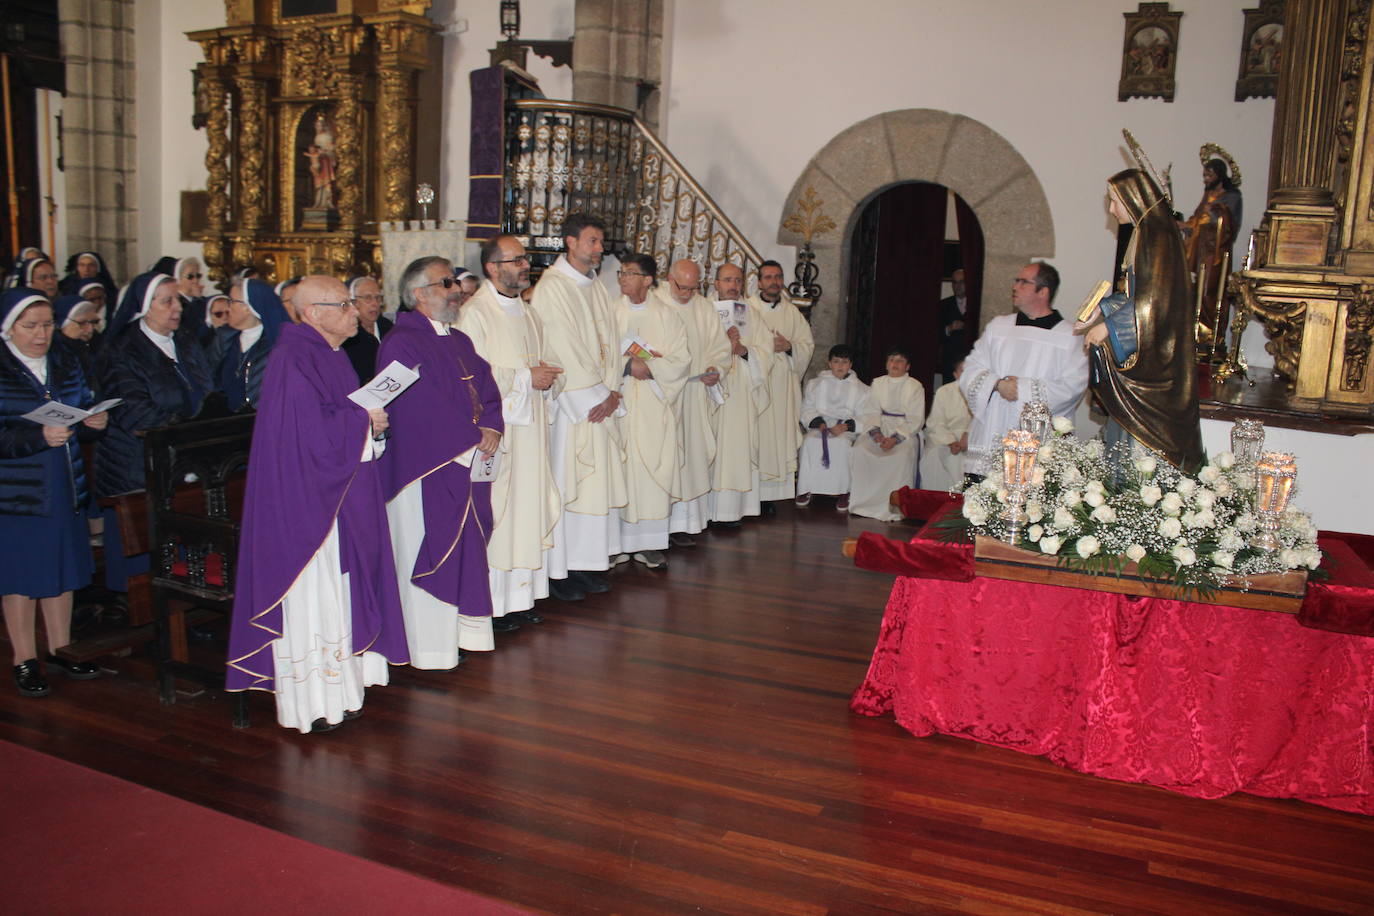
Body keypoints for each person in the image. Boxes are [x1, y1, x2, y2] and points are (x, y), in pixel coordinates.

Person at [225, 275, 409, 733]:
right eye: (343, 304)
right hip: (304, 507)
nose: (354, 311)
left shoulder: (331, 353)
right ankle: (311, 702)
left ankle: (342, 689)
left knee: (340, 592)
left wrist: (372, 424)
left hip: (336, 496)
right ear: (313, 313)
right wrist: (363, 422)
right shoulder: (292, 358)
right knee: (314, 594)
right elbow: (307, 436)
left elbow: (341, 419)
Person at [379, 256, 503, 670]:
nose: (456, 289)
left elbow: (487, 389)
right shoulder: (401, 342)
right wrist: (472, 438)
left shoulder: (459, 341)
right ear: (420, 294)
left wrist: (492, 428)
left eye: (454, 282)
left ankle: (460, 635)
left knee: (469, 547)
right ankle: (428, 647)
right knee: (430, 546)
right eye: (446, 282)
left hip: (465, 462)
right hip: (427, 470)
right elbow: (414, 408)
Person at [0, 288, 106, 697]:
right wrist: (36, 437)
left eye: (46, 325)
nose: (41, 334)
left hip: (65, 481)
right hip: (17, 490)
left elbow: (80, 406)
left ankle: (63, 649)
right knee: (22, 576)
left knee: (62, 569)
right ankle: (24, 658)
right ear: (9, 328)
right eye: (31, 327)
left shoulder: (65, 360)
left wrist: (93, 421)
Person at [457, 235, 568, 618]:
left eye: (525, 259)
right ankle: (492, 604)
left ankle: (519, 599)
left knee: (526, 508)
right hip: (498, 433)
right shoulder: (475, 314)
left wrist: (549, 375)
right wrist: (525, 378)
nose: (525, 265)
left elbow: (548, 360)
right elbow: (470, 376)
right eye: (517, 259)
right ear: (492, 267)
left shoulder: (530, 311)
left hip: (531, 432)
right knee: (500, 513)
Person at [1077, 169, 1204, 473]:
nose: (1111, 209)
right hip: (1142, 343)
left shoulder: (1156, 237)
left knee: (1139, 448)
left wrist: (1109, 326)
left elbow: (1155, 302)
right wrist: (1104, 309)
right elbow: (1139, 295)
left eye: (1115, 201)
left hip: (1156, 360)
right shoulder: (1146, 234)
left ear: (1133, 200)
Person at [529, 214, 628, 594]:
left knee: (595, 485)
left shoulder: (595, 286)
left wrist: (614, 390)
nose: (600, 249)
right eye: (592, 241)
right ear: (570, 242)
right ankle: (563, 571)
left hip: (601, 400)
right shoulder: (553, 288)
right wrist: (598, 394)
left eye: (601, 242)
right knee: (572, 481)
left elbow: (611, 342)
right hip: (578, 407)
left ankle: (588, 564)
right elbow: (561, 346)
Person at [959, 262, 1089, 478]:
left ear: (1043, 291)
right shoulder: (998, 327)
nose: (1015, 286)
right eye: (1016, 281)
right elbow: (970, 368)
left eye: (1023, 282)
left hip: (1035, 443)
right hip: (991, 433)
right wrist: (998, 385)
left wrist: (1022, 389)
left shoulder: (1069, 336)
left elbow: (1073, 386)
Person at [611, 253, 691, 570]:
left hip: (655, 403)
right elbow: (596, 353)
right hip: (619, 402)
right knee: (621, 470)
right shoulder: (609, 313)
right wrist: (627, 365)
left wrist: (650, 367)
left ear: (647, 279)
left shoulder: (668, 316)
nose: (622, 278)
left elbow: (682, 360)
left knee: (651, 472)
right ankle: (615, 543)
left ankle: (650, 542)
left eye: (630, 273)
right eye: (621, 273)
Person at [655, 259, 731, 545]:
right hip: (663, 395)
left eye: (693, 287)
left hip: (695, 393)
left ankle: (685, 525)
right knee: (667, 458)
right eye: (682, 287)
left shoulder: (704, 308)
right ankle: (661, 526)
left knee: (692, 459)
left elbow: (720, 347)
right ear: (669, 279)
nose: (687, 293)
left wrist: (716, 369)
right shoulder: (655, 303)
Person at [708, 262, 773, 527]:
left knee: (737, 447)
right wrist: (723, 343)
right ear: (716, 284)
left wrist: (743, 350)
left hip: (742, 390)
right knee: (711, 446)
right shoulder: (704, 311)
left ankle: (732, 511)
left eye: (737, 281)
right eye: (727, 280)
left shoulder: (752, 315)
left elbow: (766, 352)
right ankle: (706, 512)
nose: (733, 286)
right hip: (712, 390)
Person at [748, 259, 813, 510]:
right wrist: (764, 347)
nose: (774, 282)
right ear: (759, 280)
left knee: (777, 437)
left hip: (782, 386)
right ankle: (751, 495)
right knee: (757, 437)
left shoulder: (791, 312)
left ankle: (771, 497)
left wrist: (789, 347)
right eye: (768, 277)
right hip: (757, 383)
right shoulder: (748, 309)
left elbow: (807, 345)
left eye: (777, 277)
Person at [848, 348, 926, 520]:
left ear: (907, 366)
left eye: (899, 361)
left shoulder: (915, 386)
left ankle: (894, 508)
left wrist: (894, 439)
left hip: (904, 431)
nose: (894, 364)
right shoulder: (878, 383)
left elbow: (915, 418)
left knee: (901, 455)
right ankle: (862, 504)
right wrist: (877, 435)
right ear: (886, 364)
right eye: (891, 360)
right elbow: (871, 411)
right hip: (880, 428)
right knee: (861, 449)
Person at [795, 345, 872, 511]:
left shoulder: (862, 389)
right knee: (809, 442)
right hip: (820, 426)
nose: (840, 366)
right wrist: (819, 423)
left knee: (841, 445)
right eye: (836, 361)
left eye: (844, 362)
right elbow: (806, 409)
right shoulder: (815, 384)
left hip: (844, 429)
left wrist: (845, 426)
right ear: (829, 363)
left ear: (850, 365)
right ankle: (806, 488)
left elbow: (865, 416)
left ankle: (844, 491)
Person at [1179, 158, 1243, 351]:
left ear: (1220, 175)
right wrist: (1183, 225)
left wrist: (1215, 214)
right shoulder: (1208, 195)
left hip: (1215, 252)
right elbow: (1197, 221)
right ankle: (1195, 332)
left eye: (1209, 175)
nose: (1206, 179)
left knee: (1209, 291)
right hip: (1200, 249)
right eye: (1204, 175)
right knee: (1195, 289)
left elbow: (1230, 225)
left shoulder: (1232, 197)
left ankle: (1210, 337)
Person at [210, 277, 290, 411]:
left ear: (248, 307)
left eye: (232, 302)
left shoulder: (275, 345)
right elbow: (209, 376)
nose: (227, 308)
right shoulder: (224, 338)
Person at [918, 358, 973, 493]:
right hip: (944, 438)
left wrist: (967, 436)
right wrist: (951, 442)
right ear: (955, 374)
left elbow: (981, 421)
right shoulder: (944, 391)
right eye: (962, 370)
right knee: (937, 455)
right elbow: (936, 422)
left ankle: (964, 501)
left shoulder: (982, 394)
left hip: (971, 439)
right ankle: (938, 501)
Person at [340, 276, 393, 383]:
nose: (375, 304)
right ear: (353, 302)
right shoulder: (347, 336)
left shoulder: (388, 327)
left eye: (378, 298)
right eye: (368, 298)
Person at [51, 294, 102, 384]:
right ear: (61, 325)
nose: (90, 329)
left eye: (93, 322)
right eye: (82, 323)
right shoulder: (55, 357)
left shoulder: (98, 344)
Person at [937, 268, 970, 382]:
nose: (958, 286)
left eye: (961, 282)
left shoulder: (976, 304)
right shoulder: (943, 305)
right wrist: (949, 329)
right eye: (954, 282)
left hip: (970, 361)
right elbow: (934, 334)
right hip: (949, 362)